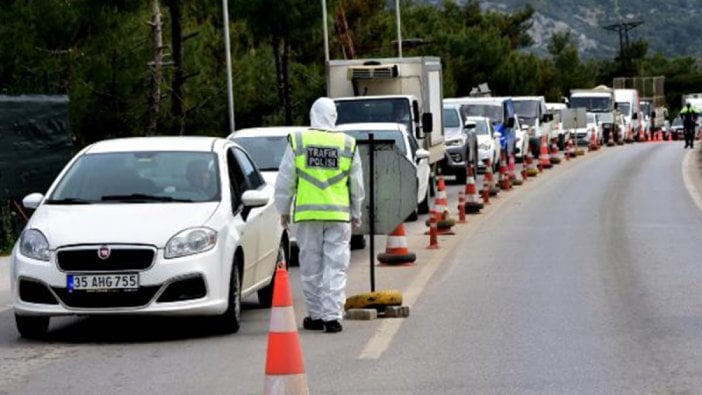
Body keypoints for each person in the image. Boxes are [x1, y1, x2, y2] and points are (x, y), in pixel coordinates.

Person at [274, 97, 365, 333]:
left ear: (312, 115)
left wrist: (283, 210)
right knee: (336, 266)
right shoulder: (347, 144)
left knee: (311, 266)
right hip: (338, 215)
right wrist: (356, 211)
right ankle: (332, 317)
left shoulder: (299, 140)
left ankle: (315, 316)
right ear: (334, 116)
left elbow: (285, 179)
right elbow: (356, 183)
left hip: (308, 216)